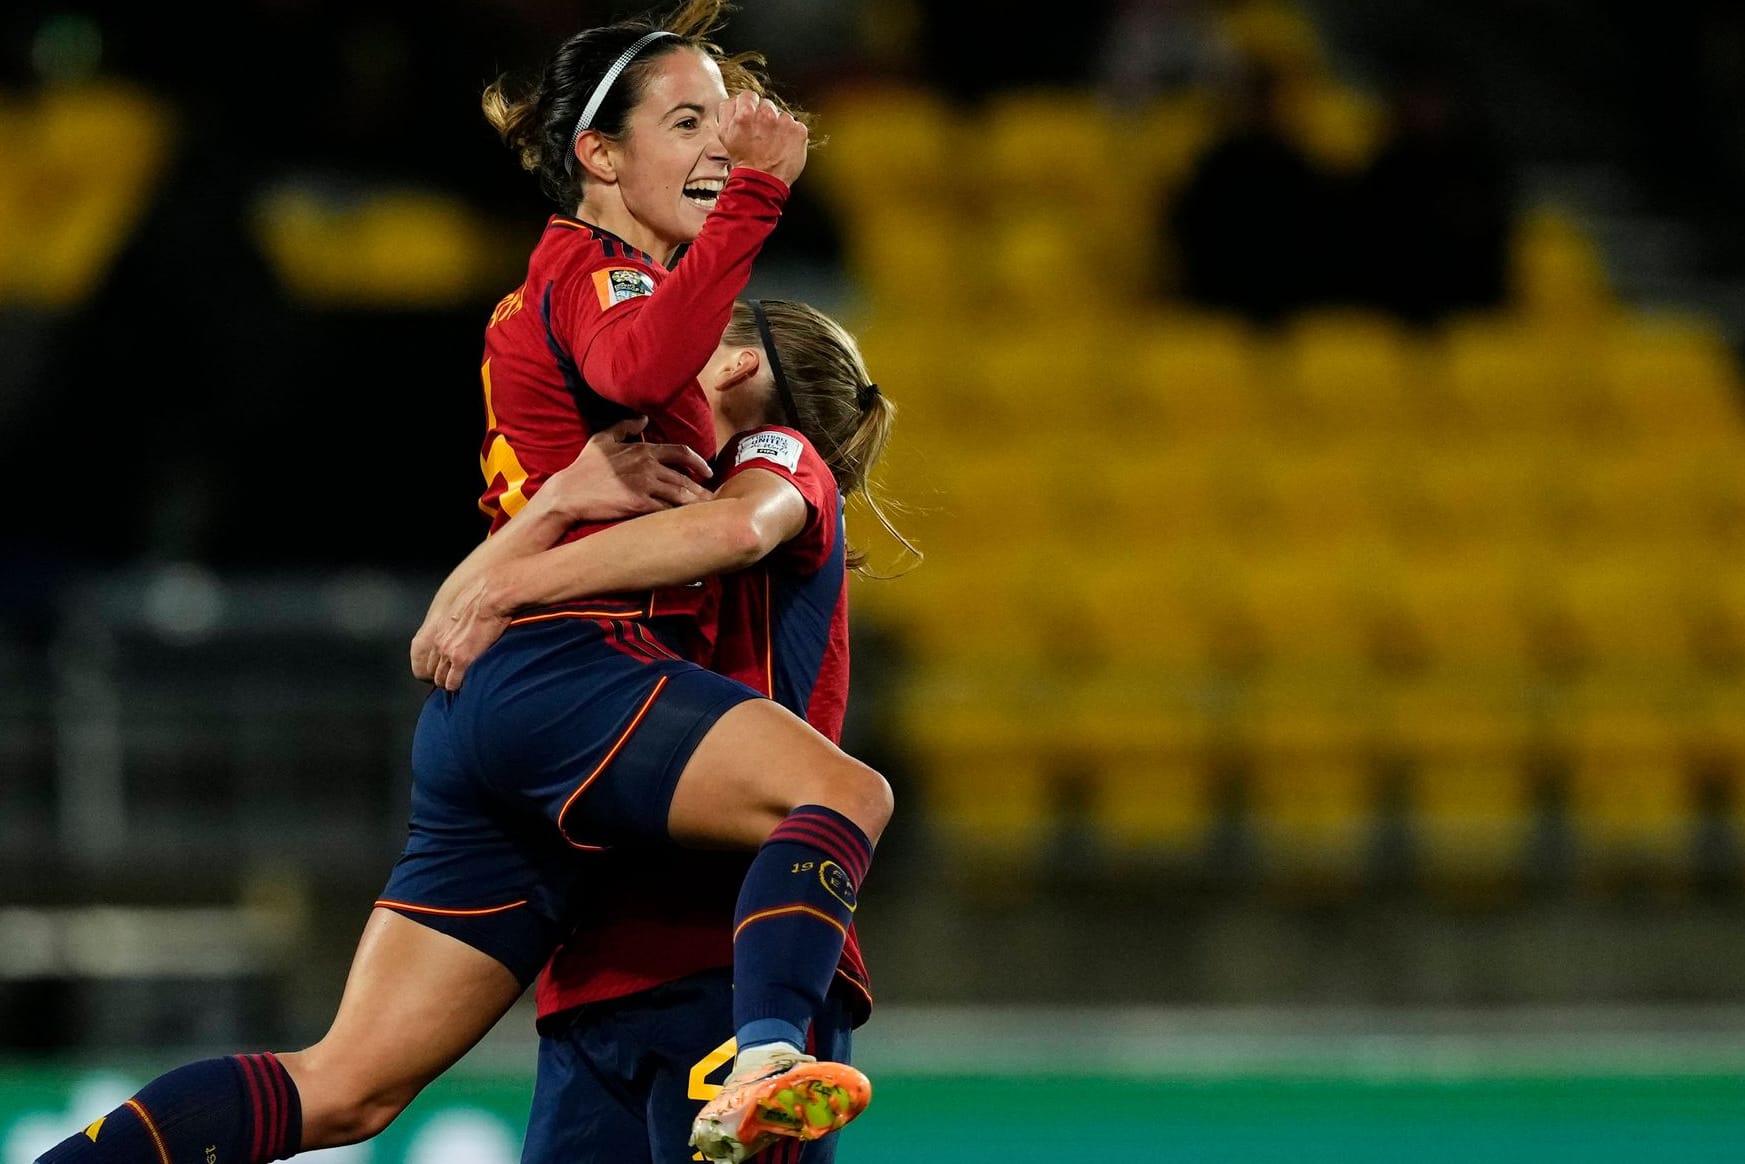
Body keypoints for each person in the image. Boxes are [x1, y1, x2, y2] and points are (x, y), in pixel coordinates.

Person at [32, 4, 888, 1163]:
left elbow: (606, 464)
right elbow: (681, 431)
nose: (717, 152)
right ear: (596, 154)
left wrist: (486, 576)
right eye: (683, 122)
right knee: (844, 794)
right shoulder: (614, 290)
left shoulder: (569, 314)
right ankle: (773, 1049)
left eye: (718, 128)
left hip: (509, 737)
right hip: (578, 686)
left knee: (343, 1086)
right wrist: (754, 203)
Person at [413, 297, 908, 1164]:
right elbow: (440, 633)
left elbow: (732, 526)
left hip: (734, 953)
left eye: (696, 339)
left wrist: (513, 585)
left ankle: (770, 1047)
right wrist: (555, 503)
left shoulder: (772, 455)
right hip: (599, 970)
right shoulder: (627, 521)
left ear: (736, 366)